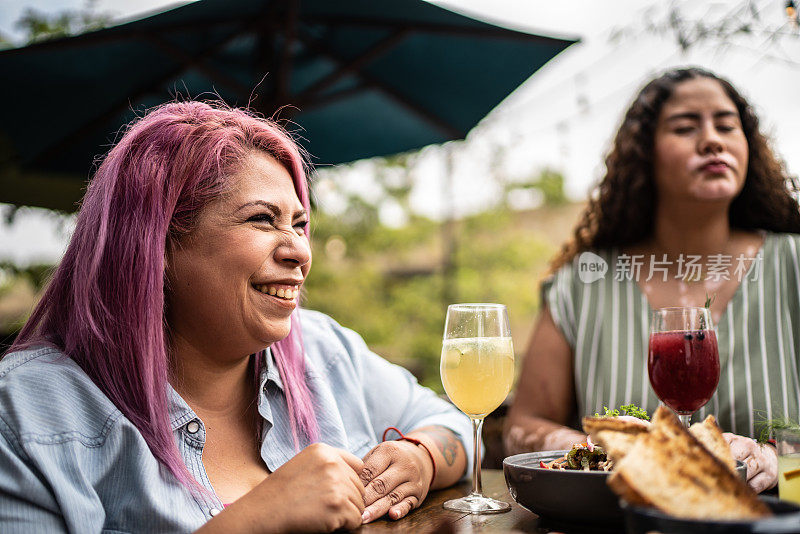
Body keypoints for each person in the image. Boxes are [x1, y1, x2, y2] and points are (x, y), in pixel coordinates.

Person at [0, 102, 471, 533]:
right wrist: (255, 519)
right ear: (157, 245)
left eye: (300, 224)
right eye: (263, 219)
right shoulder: (24, 415)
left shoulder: (323, 350)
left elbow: (456, 424)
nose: (299, 251)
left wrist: (421, 457)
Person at [504, 67, 800, 493]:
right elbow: (523, 426)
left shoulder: (792, 265)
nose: (713, 139)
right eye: (685, 127)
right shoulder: (584, 284)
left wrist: (779, 461)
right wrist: (593, 449)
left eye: (727, 125)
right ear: (645, 154)